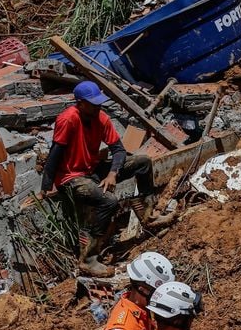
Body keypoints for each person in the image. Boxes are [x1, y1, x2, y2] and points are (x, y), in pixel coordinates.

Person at [39, 81, 167, 277]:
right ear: (80, 104)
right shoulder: (68, 119)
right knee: (108, 201)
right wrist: (45, 187)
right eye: (93, 103)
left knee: (143, 162)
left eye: (99, 103)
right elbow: (55, 153)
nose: (98, 106)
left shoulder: (101, 118)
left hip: (92, 168)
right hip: (71, 177)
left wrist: (112, 173)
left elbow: (118, 150)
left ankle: (148, 215)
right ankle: (89, 260)